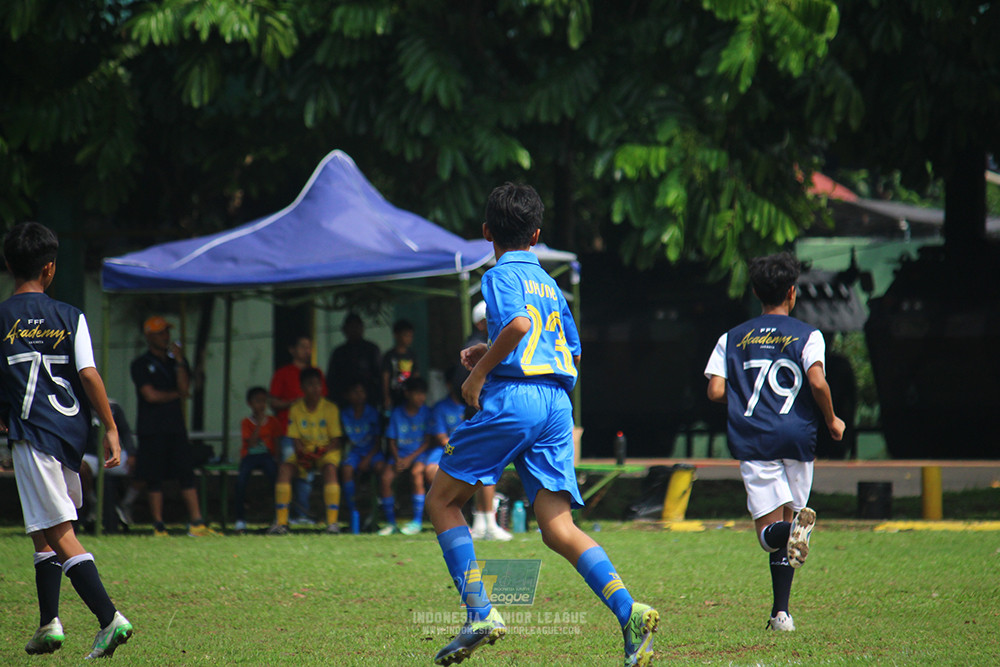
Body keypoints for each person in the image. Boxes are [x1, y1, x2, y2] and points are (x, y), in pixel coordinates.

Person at [425, 183, 659, 666]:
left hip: (515, 399)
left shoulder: (497, 273)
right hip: (556, 402)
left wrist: (480, 374)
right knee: (557, 527)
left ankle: (480, 612)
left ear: (487, 231)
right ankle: (629, 611)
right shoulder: (550, 283)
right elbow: (567, 348)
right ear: (537, 234)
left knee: (442, 501)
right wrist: (487, 349)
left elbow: (517, 328)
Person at [0, 222, 133, 658]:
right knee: (44, 528)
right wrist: (110, 427)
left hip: (32, 435)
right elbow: (89, 375)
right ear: (50, 268)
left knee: (58, 530)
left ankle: (109, 618)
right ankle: (48, 624)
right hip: (69, 436)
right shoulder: (71, 316)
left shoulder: (1, 318)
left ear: (7, 265)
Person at [704, 252, 845, 632]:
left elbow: (715, 390)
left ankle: (797, 527)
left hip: (756, 440)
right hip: (799, 438)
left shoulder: (731, 337)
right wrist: (832, 420)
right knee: (790, 528)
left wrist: (748, 392)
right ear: (792, 293)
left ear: (755, 292)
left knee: (771, 536)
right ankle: (780, 614)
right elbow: (817, 381)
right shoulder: (808, 335)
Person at [131, 315, 216, 537]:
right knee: (154, 477)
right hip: (152, 428)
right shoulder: (140, 364)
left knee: (186, 473)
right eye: (160, 333)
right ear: (149, 336)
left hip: (176, 427)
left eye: (167, 332)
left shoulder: (176, 362)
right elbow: (150, 395)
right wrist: (175, 394)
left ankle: (197, 522)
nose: (166, 336)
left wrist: (179, 361)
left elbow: (185, 389)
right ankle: (159, 525)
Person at [434, 366, 511, 541]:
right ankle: (486, 524)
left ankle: (483, 523)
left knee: (483, 474)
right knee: (485, 474)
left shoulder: (481, 353)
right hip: (481, 415)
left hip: (482, 414)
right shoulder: (483, 354)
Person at [457, 302, 511, 541]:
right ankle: (487, 522)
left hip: (479, 411)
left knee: (484, 469)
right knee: (487, 469)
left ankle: (482, 522)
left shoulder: (480, 343)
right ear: (482, 322)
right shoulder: (479, 346)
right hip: (482, 411)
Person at [268, 367, 343, 534]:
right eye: (310, 385)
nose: (315, 389)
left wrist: (320, 453)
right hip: (305, 453)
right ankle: (281, 523)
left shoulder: (330, 408)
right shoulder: (295, 408)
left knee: (330, 470)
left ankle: (332, 523)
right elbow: (295, 439)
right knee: (284, 469)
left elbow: (336, 441)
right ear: (301, 388)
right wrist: (302, 454)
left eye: (318, 385)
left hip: (325, 452)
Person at [269, 335, 327, 523]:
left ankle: (302, 514)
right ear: (292, 350)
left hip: (313, 434)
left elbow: (323, 402)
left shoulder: (316, 372)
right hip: (288, 432)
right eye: (302, 347)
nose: (307, 351)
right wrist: (292, 403)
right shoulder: (283, 373)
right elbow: (273, 402)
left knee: (307, 473)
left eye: (309, 347)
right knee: (288, 468)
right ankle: (284, 517)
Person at [379, 376, 433, 536]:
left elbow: (427, 441)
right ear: (407, 394)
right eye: (417, 394)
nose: (421, 398)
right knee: (385, 478)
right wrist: (397, 459)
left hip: (419, 455)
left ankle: (416, 521)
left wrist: (410, 459)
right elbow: (391, 441)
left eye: (423, 394)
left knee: (416, 474)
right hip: (400, 456)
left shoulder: (427, 413)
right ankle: (391, 523)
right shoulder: (397, 413)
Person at [78, 399, 140, 532]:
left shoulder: (114, 407)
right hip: (90, 455)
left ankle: (126, 504)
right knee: (80, 467)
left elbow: (125, 432)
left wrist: (131, 453)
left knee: (144, 466)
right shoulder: (77, 405)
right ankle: (94, 502)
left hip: (113, 455)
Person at [234, 386, 282, 532]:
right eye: (257, 401)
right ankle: (240, 519)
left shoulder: (273, 421)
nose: (261, 405)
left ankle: (279, 516)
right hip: (250, 455)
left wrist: (278, 460)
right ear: (250, 403)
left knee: (275, 478)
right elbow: (252, 442)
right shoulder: (246, 423)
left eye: (263, 401)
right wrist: (259, 424)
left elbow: (277, 441)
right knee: (241, 480)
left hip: (267, 455)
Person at [339, 379, 383, 527]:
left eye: (361, 392)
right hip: (354, 452)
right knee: (346, 469)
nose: (359, 395)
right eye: (355, 392)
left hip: (371, 452)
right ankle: (353, 511)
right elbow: (343, 440)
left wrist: (367, 459)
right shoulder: (344, 414)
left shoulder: (372, 412)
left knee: (380, 467)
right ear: (348, 395)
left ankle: (378, 505)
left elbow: (378, 441)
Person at [327, 313, 381, 409]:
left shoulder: (371, 349)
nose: (354, 330)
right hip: (344, 400)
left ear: (362, 328)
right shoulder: (339, 352)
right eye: (351, 327)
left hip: (368, 400)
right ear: (344, 330)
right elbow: (332, 380)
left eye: (357, 327)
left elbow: (378, 376)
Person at [381, 319, 417, 412]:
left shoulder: (412, 355)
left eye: (410, 336)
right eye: (406, 335)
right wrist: (386, 396)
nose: (408, 338)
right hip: (394, 394)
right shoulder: (389, 355)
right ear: (396, 335)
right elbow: (386, 376)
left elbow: (416, 375)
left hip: (409, 395)